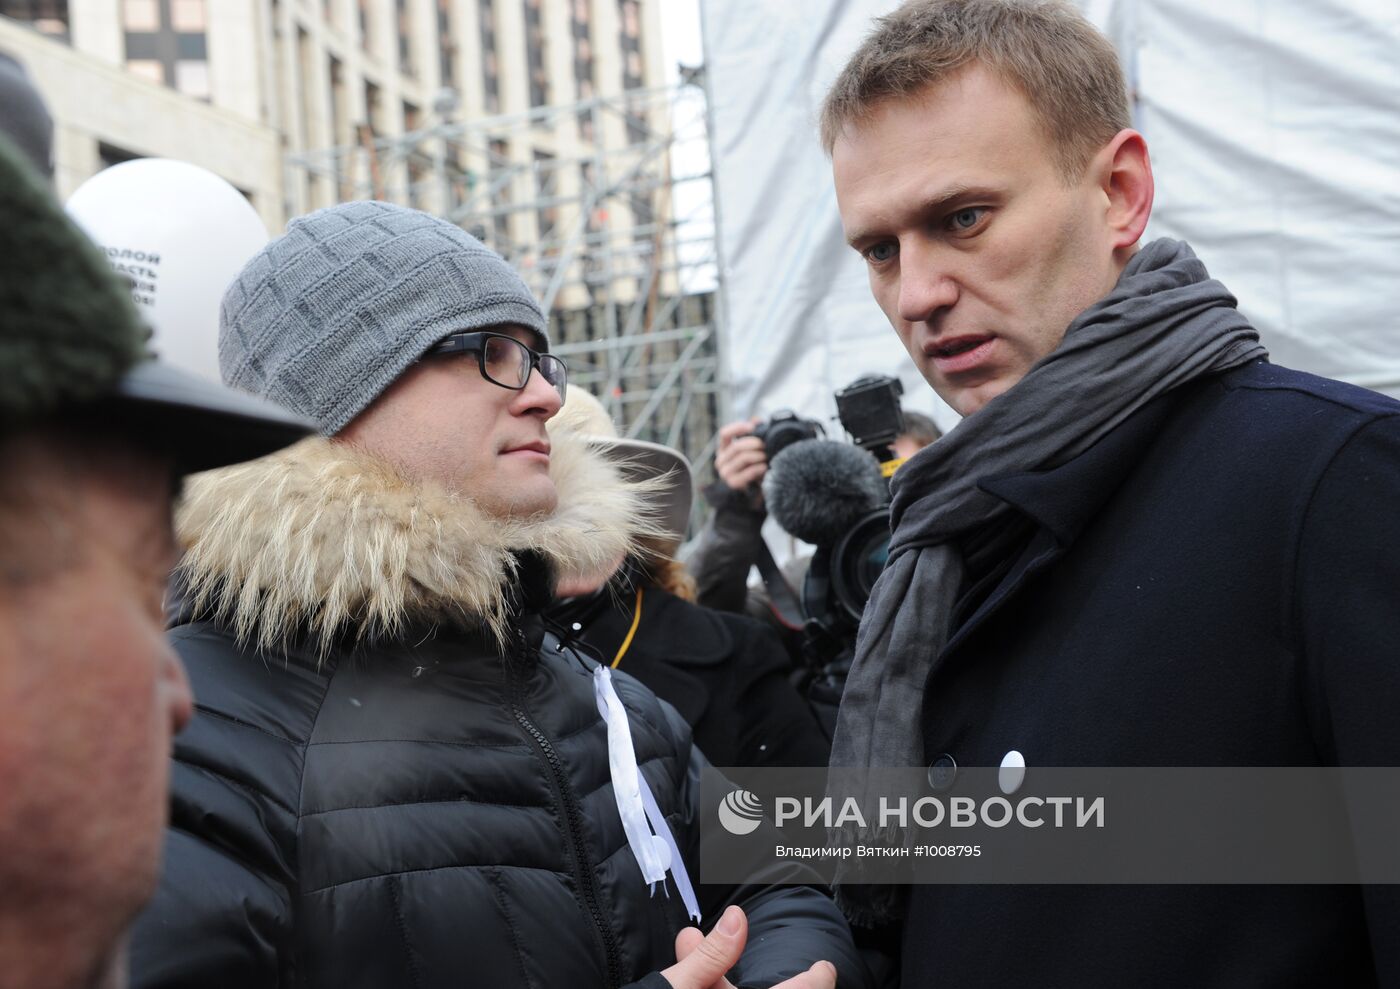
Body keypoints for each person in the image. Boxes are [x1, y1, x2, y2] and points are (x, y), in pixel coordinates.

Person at [127, 201, 869, 989]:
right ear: (338, 389)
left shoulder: (606, 697)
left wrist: (789, 972)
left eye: (541, 358)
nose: (544, 393)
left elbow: (779, 877)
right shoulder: (178, 728)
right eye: (493, 349)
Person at [821, 0, 1400, 985]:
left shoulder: (1330, 478)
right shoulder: (939, 542)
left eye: (960, 218)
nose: (916, 292)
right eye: (880, 250)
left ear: (1119, 193)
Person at [0, 134, 311, 989]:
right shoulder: (262, 721)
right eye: (493, 355)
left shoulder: (656, 687)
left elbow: (725, 874)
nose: (177, 695)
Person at [547, 388, 831, 769]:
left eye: (591, 487)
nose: (572, 518)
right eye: (547, 489)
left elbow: (811, 818)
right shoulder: (451, 667)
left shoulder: (734, 657)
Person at [687, 409, 940, 625]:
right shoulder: (821, 581)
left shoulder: (971, 555)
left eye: (912, 482)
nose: (893, 499)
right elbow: (711, 621)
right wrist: (738, 513)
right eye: (881, 484)